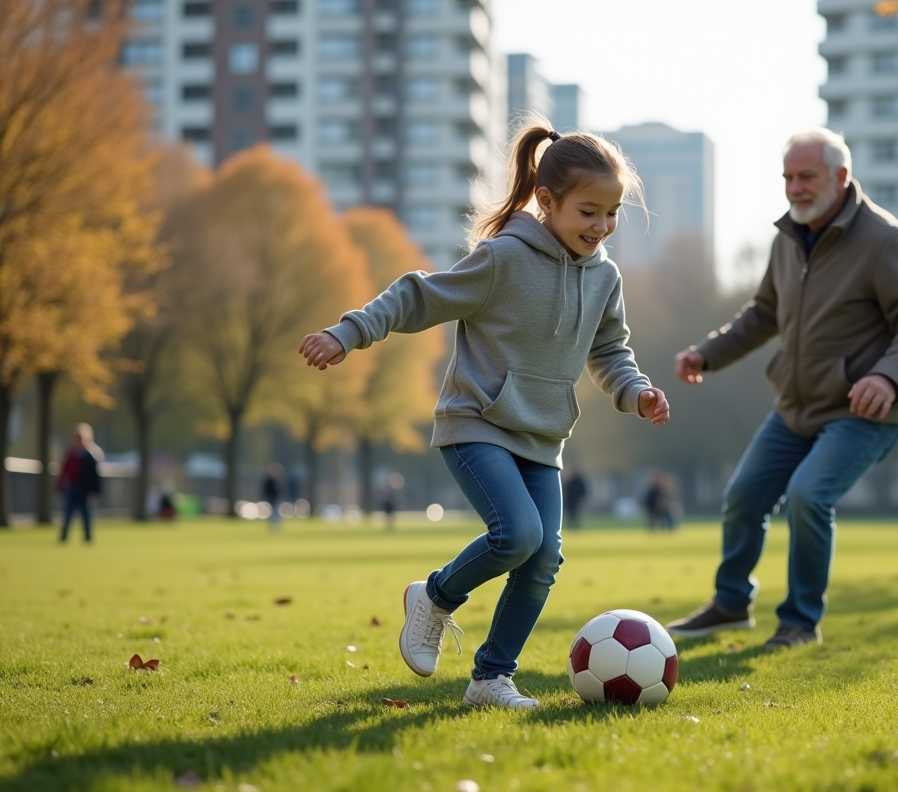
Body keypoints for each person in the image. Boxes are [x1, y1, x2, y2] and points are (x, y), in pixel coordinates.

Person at [298, 117, 670, 708]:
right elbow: (419, 295)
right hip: (477, 424)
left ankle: (490, 679)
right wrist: (351, 331)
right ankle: (436, 596)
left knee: (543, 556)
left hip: (542, 438)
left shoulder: (604, 278)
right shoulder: (502, 259)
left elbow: (610, 353)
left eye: (612, 213)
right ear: (546, 201)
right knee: (518, 534)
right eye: (588, 211)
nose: (601, 226)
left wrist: (637, 391)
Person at [666, 128, 898, 649]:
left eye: (806, 176)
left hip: (862, 411)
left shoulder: (883, 240)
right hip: (795, 407)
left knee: (809, 495)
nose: (795, 188)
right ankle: (729, 605)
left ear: (840, 177)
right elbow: (765, 313)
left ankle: (799, 622)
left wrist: (888, 376)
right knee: (744, 496)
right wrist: (708, 352)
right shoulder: (789, 238)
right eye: (788, 177)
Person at [55, 423, 103, 544]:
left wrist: (96, 490)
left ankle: (88, 537)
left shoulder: (90, 455)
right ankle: (64, 537)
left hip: (84, 489)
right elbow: (64, 470)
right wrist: (59, 484)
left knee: (86, 515)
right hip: (71, 487)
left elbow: (94, 475)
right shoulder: (71, 454)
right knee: (67, 513)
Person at [562, 466, 588, 531]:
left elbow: (583, 490)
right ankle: (570, 528)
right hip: (569, 500)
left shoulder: (579, 480)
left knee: (575, 514)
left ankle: (575, 528)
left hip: (575, 500)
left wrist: (580, 498)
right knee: (570, 515)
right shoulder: (568, 480)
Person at [262, 463, 283, 530]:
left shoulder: (277, 480)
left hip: (276, 498)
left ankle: (276, 524)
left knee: (276, 512)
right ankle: (272, 525)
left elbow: (281, 490)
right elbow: (266, 490)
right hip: (271, 498)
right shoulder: (269, 481)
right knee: (272, 512)